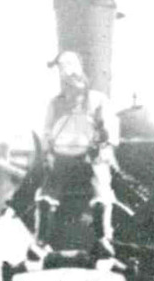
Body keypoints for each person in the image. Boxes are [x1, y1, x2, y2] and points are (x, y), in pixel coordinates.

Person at [36, 50, 121, 253]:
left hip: (89, 157)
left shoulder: (98, 100)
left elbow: (109, 129)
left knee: (101, 184)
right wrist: (48, 152)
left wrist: (102, 144)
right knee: (47, 190)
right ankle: (42, 238)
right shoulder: (55, 104)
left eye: (69, 67)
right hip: (63, 158)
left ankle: (102, 237)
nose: (66, 73)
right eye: (62, 70)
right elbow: (47, 131)